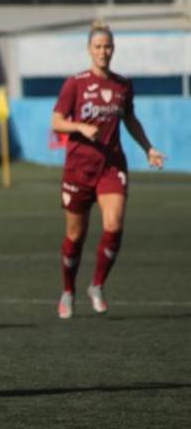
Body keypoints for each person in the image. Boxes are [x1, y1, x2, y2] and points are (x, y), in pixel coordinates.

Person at [51, 21, 165, 319]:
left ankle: (97, 285)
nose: (104, 51)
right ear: (90, 50)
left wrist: (149, 148)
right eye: (99, 46)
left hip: (111, 166)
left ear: (113, 49)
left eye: (108, 46)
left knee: (113, 225)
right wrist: (79, 127)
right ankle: (68, 291)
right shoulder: (75, 83)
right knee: (75, 236)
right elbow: (57, 121)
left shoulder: (123, 85)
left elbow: (130, 120)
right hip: (78, 169)